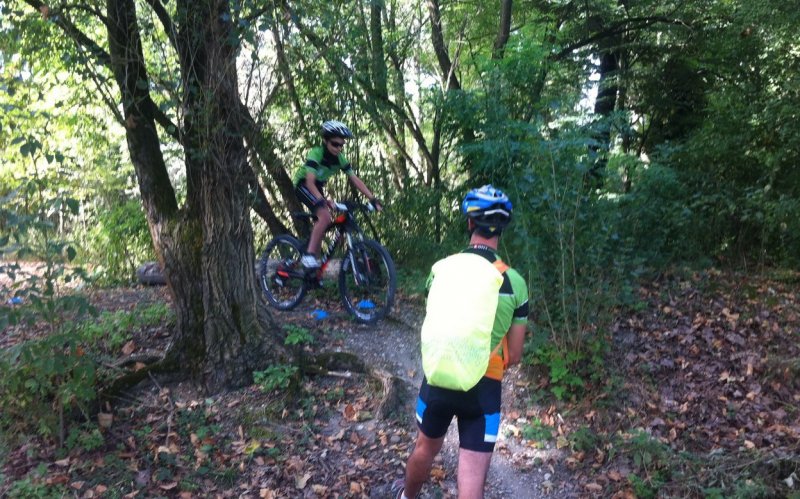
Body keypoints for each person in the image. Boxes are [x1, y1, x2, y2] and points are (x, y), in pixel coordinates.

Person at [392, 185, 529, 499]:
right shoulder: (515, 282)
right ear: (503, 229)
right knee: (472, 476)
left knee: (424, 449)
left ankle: (406, 497)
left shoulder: (442, 270)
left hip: (440, 376)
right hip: (484, 388)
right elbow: (517, 355)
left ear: (469, 224)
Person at [293, 120, 382, 270]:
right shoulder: (316, 153)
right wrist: (322, 200)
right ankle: (309, 255)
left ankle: (312, 260)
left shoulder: (340, 159)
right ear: (325, 141)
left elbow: (355, 180)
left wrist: (372, 198)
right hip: (304, 184)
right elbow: (309, 182)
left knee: (325, 220)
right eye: (335, 144)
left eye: (341, 145)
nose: (338, 148)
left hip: (318, 186)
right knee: (326, 216)